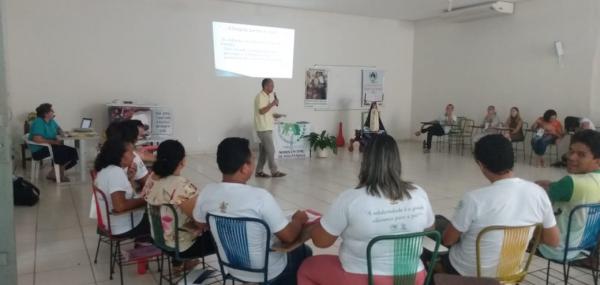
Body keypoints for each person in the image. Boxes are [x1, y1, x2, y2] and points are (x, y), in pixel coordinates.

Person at [298, 134, 434, 285]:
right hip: (412, 278)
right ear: (397, 161)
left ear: (365, 161)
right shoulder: (418, 193)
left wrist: (313, 227)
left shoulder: (351, 199)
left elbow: (321, 242)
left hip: (364, 279)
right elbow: (429, 229)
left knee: (307, 268)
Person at [192, 137, 312, 284]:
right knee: (305, 251)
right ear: (245, 167)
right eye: (253, 160)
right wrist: (297, 219)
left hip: (231, 268)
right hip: (268, 271)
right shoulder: (260, 197)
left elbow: (199, 223)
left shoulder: (207, 192)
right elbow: (288, 237)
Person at [437, 135, 559, 277]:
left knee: (437, 230)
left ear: (481, 164)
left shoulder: (474, 199)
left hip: (467, 273)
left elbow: (448, 240)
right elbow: (553, 240)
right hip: (511, 274)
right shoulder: (538, 193)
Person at [143, 140, 215, 272]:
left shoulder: (152, 177)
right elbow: (200, 223)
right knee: (221, 236)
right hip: (181, 246)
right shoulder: (180, 185)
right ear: (182, 161)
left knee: (176, 220)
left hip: (159, 239)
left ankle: (180, 264)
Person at [535, 130, 600, 261]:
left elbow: (534, 199)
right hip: (585, 245)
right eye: (571, 151)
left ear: (597, 161)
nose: (571, 157)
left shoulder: (571, 182)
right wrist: (553, 184)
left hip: (556, 249)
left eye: (581, 155)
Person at [93, 139, 149, 238]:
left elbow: (124, 195)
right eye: (131, 152)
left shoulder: (104, 170)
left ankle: (143, 244)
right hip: (122, 228)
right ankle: (144, 244)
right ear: (121, 155)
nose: (134, 156)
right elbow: (120, 206)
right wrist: (144, 200)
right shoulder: (115, 172)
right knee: (158, 220)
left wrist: (129, 179)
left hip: (110, 224)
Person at [28, 103, 78, 182]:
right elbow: (36, 139)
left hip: (49, 146)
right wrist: (53, 142)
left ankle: (53, 173)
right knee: (62, 152)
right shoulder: (38, 122)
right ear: (46, 113)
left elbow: (58, 128)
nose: (53, 111)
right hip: (39, 150)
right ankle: (59, 175)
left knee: (72, 151)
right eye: (51, 110)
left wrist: (61, 132)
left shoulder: (51, 120)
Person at [254, 78, 286, 178]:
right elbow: (261, 111)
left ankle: (259, 172)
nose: (273, 87)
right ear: (265, 86)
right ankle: (274, 171)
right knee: (271, 150)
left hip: (267, 128)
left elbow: (267, 113)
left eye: (273, 85)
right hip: (263, 129)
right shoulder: (260, 96)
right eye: (271, 85)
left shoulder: (267, 97)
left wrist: (276, 115)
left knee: (264, 153)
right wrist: (272, 103)